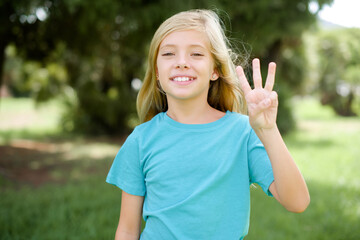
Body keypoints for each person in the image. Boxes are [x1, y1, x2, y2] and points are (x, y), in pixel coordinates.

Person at [106, 9, 310, 240]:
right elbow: (127, 230)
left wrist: (268, 130)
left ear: (215, 70)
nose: (182, 62)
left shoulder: (242, 132)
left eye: (196, 54)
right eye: (169, 53)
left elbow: (298, 202)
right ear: (157, 71)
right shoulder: (141, 139)